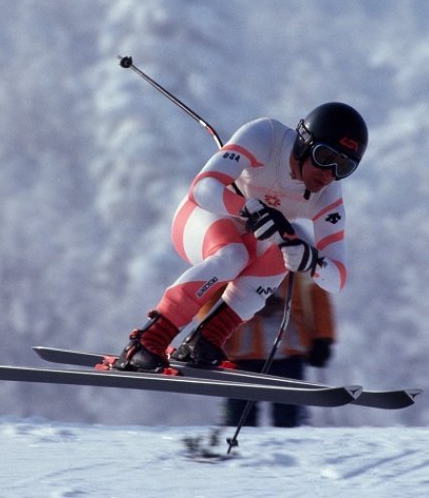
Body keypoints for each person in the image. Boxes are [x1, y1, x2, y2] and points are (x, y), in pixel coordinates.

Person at [112, 102, 367, 373]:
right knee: (233, 255)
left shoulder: (328, 194)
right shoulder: (266, 136)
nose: (328, 173)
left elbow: (337, 278)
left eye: (343, 166)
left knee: (285, 253)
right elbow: (202, 188)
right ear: (304, 142)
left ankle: (206, 339)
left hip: (251, 236)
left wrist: (311, 260)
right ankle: (148, 340)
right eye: (324, 155)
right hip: (202, 217)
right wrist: (249, 209)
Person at [211, 273, 336, 427]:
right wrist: (211, 337)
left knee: (289, 420)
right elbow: (212, 298)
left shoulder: (300, 258)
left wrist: (323, 338)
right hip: (243, 355)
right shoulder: (236, 257)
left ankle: (289, 448)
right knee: (238, 419)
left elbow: (318, 295)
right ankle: (236, 448)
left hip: (288, 354)